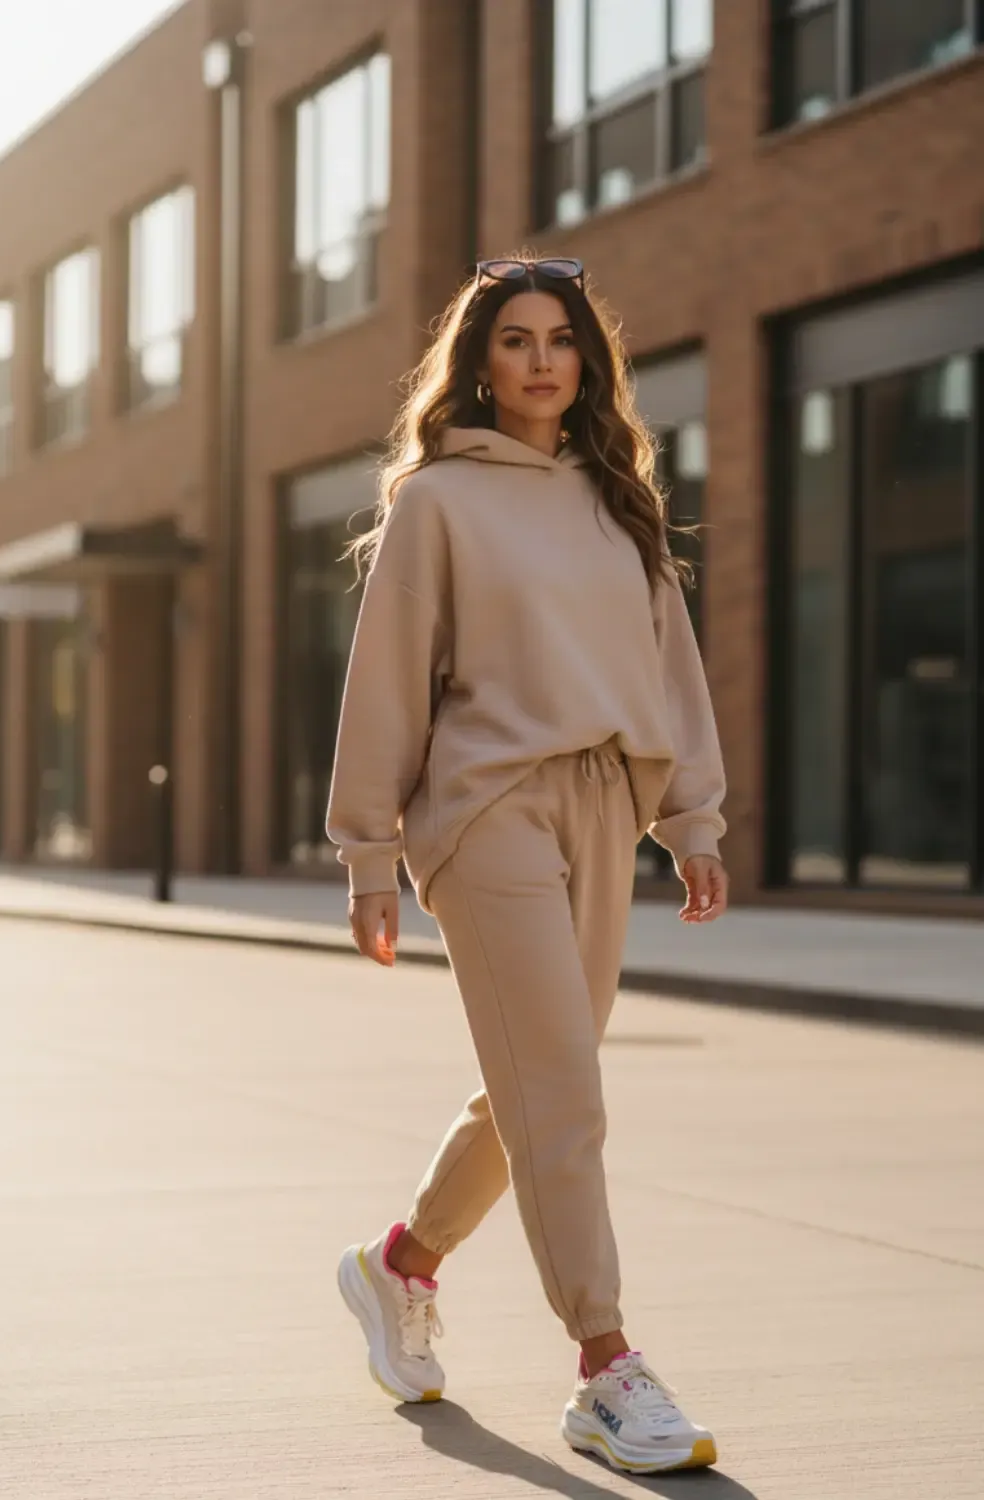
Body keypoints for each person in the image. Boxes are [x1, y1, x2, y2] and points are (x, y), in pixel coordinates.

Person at [327, 255, 729, 1477]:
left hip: (605, 801)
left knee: (536, 1083)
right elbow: (387, 675)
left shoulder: (620, 500)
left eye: (563, 340)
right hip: (484, 805)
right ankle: (605, 1368)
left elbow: (672, 670)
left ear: (588, 365)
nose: (543, 358)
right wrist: (369, 854)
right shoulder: (439, 500)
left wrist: (693, 820)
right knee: (562, 1090)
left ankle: (399, 1266)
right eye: (516, 339)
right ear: (482, 362)